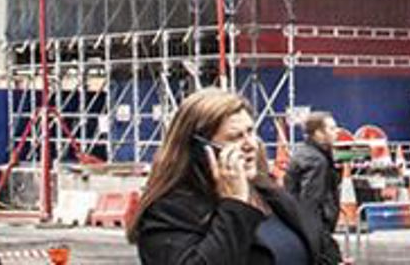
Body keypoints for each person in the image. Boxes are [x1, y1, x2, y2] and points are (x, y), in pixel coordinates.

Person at [129, 90, 318, 265]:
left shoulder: (270, 194)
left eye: (250, 132)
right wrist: (235, 205)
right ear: (200, 149)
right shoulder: (170, 211)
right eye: (234, 137)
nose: (250, 144)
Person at [284, 115, 342, 264]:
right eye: (332, 128)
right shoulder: (316, 161)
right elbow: (309, 203)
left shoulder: (308, 153)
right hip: (317, 231)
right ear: (318, 133)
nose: (338, 131)